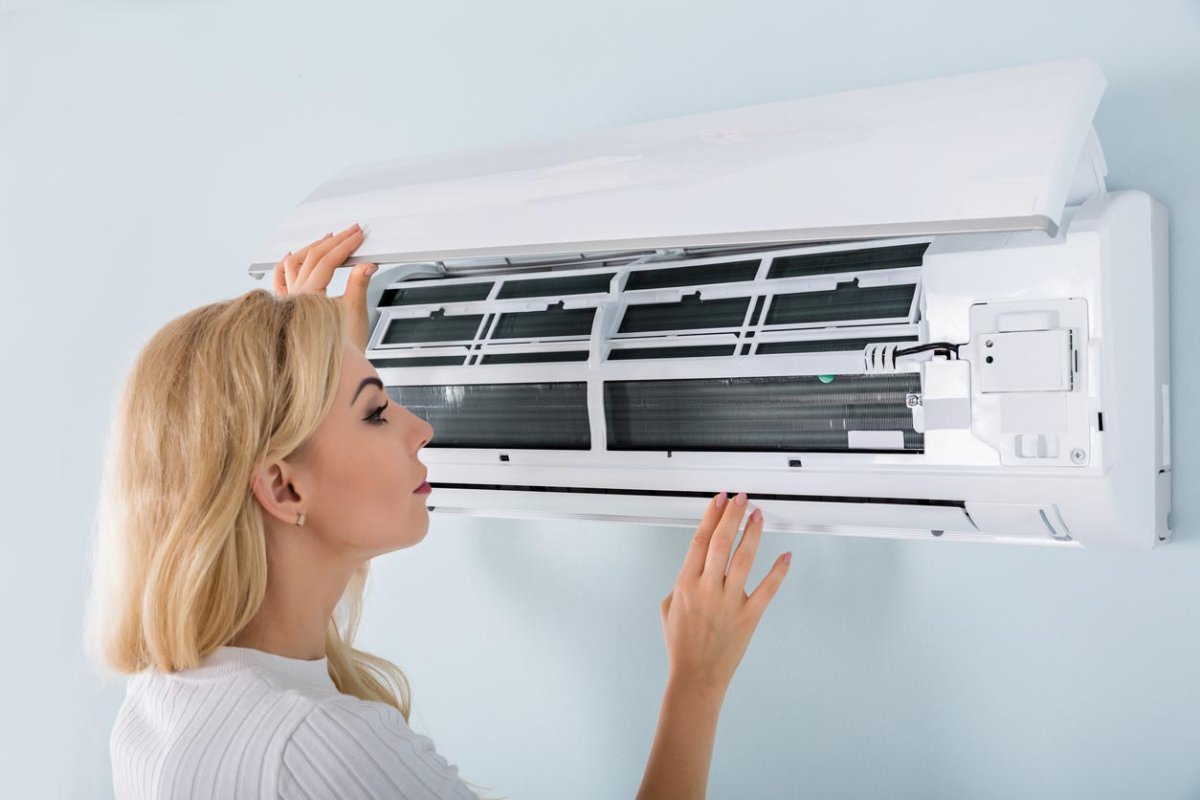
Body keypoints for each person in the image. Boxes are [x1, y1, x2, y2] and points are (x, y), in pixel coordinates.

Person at [85, 223, 792, 799]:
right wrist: (697, 681)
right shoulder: (325, 751)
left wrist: (321, 356)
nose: (419, 428)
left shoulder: (161, 709)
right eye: (376, 413)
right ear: (284, 490)